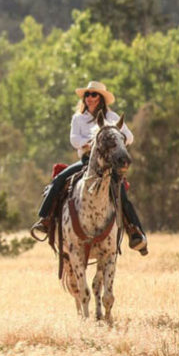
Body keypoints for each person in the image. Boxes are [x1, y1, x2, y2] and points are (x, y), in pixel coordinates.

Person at [30, 81, 148, 254]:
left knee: (121, 193)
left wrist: (116, 143)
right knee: (59, 180)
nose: (90, 98)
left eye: (94, 95)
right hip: (87, 160)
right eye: (87, 95)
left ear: (101, 98)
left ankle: (135, 231)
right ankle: (45, 220)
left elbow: (129, 137)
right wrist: (87, 143)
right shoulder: (78, 118)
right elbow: (73, 139)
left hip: (107, 163)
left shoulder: (113, 118)